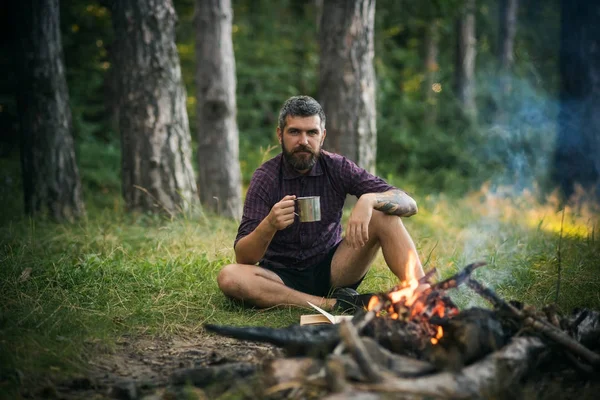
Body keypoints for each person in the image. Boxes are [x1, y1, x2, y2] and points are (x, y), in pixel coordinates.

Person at [217, 95, 425, 312]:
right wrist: (269, 224)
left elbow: (409, 203)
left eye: (312, 133)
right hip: (280, 277)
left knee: (384, 215)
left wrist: (370, 199)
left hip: (335, 269)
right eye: (295, 132)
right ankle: (336, 304)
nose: (303, 141)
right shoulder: (266, 178)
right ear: (280, 135)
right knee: (229, 276)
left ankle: (424, 296)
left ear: (322, 136)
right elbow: (243, 257)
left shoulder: (336, 167)